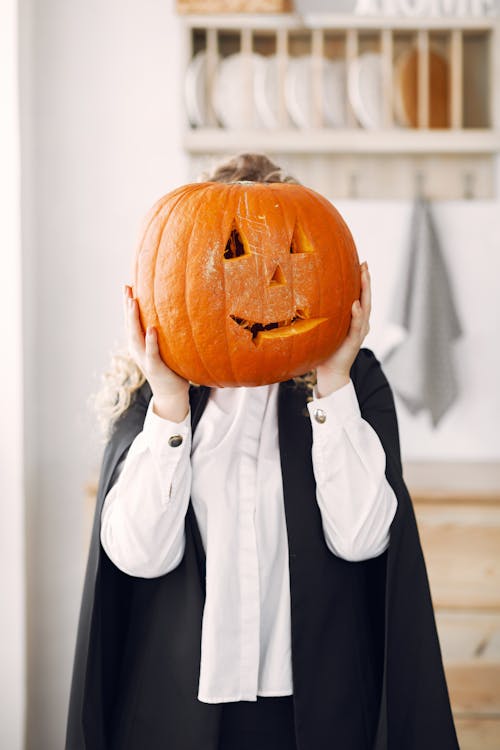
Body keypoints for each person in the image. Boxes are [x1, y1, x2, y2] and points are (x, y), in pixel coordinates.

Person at [65, 153, 459, 750]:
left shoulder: (356, 380)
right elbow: (138, 557)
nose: (266, 283)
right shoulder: (151, 391)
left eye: (293, 257)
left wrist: (334, 382)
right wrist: (170, 407)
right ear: (186, 272)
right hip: (177, 714)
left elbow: (363, 539)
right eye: (230, 255)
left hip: (318, 713)